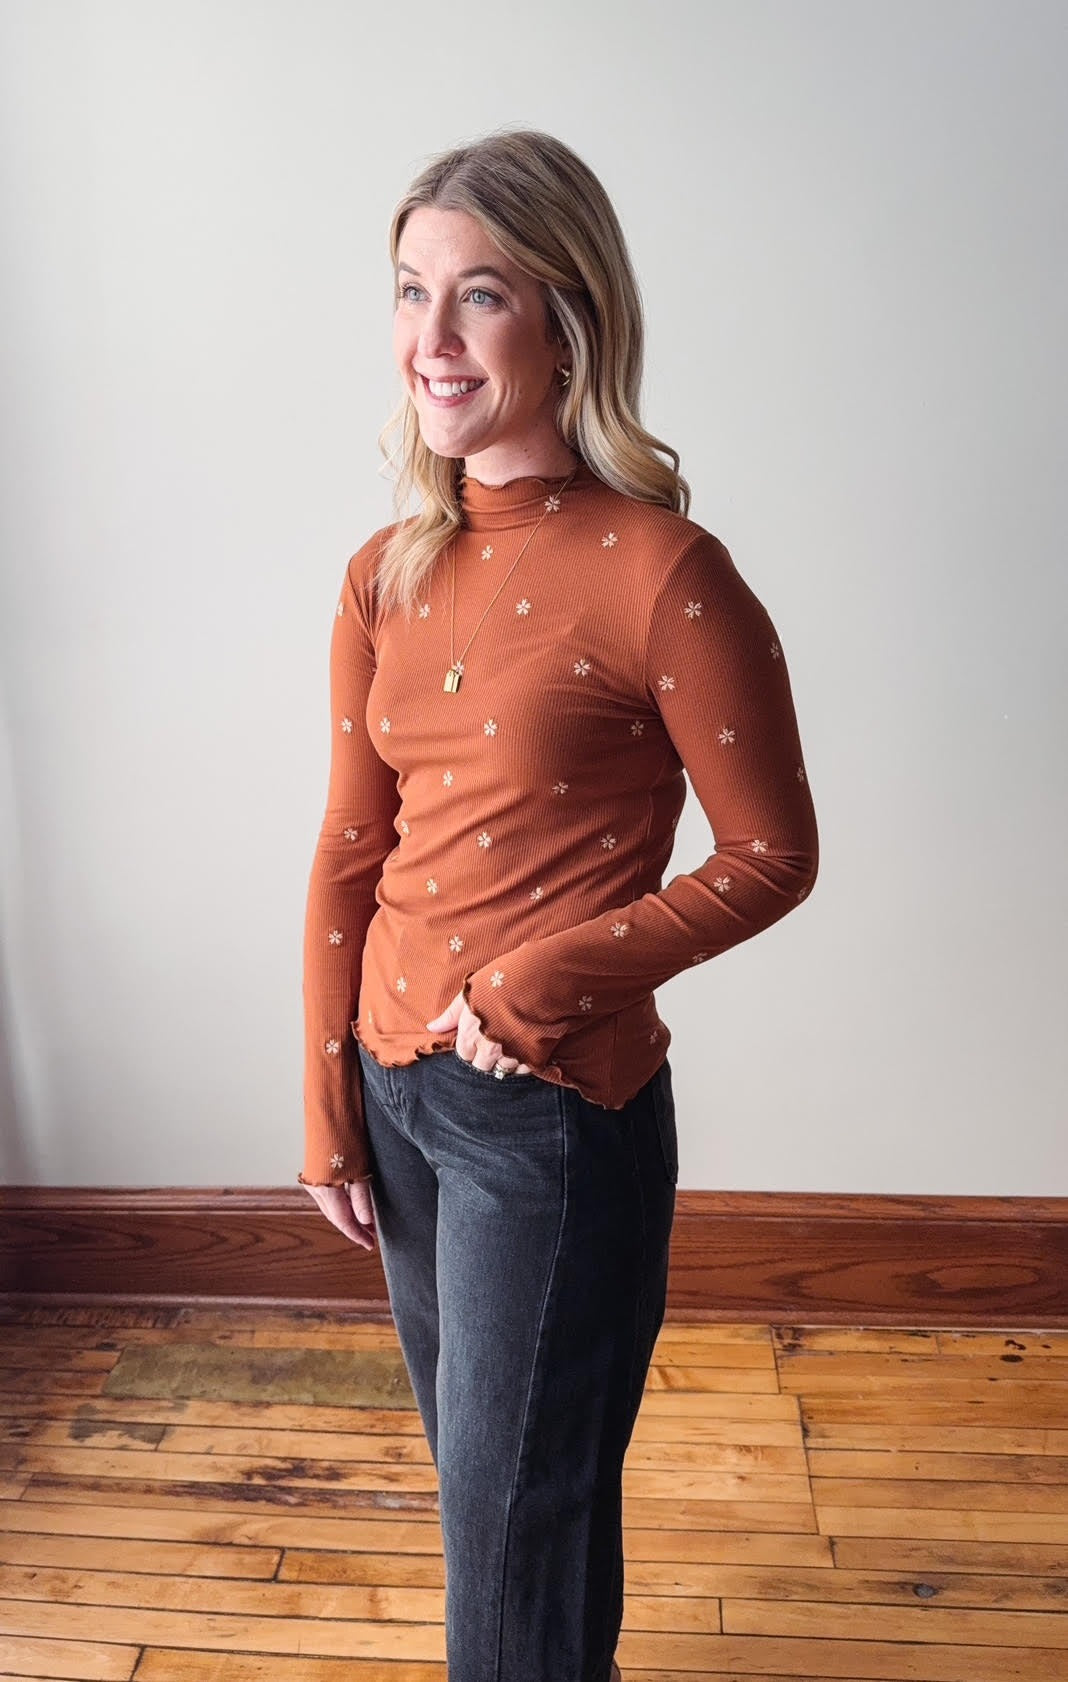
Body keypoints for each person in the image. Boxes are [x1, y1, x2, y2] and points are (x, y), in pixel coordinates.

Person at [298, 127, 818, 1682]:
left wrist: (545, 979)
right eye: (409, 292)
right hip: (397, 1097)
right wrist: (326, 1094)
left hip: (550, 1118)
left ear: (569, 318)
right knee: (500, 1509)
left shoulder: (668, 573)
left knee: (520, 1511)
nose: (430, 341)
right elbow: (346, 847)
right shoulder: (382, 571)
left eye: (480, 297)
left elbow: (770, 854)